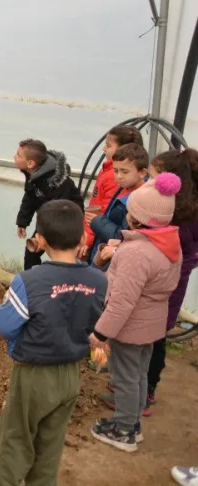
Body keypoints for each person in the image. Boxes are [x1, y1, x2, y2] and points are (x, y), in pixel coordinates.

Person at [0, 200, 107, 485]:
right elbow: (96, 322)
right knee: (50, 448)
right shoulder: (99, 281)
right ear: (82, 237)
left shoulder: (30, 281)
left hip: (33, 375)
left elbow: (4, 325)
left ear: (39, 240)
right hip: (70, 375)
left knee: (14, 441)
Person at [90, 173, 182, 453]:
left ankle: (124, 430)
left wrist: (101, 333)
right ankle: (133, 424)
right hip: (152, 325)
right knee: (139, 375)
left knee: (126, 378)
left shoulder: (136, 253)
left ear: (137, 217)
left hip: (130, 328)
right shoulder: (168, 244)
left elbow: (122, 302)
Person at [142, 149, 198, 414]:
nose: (150, 184)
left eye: (154, 179)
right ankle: (144, 386)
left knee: (154, 336)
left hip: (167, 280)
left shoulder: (178, 213)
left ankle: (146, 388)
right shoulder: (187, 206)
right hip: (173, 278)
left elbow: (179, 251)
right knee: (156, 333)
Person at [13, 139, 82, 271]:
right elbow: (30, 197)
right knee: (31, 252)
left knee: (62, 257)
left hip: (67, 221)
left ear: (30, 163)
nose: (14, 157)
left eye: (18, 155)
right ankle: (34, 284)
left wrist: (42, 234)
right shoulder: (34, 174)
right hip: (48, 217)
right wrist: (22, 222)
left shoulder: (57, 183)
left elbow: (56, 211)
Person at [82, 125, 144, 258]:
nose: (104, 148)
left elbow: (106, 215)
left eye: (108, 145)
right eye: (117, 171)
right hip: (100, 235)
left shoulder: (116, 179)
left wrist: (88, 238)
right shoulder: (111, 172)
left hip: (104, 241)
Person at [89, 143, 149, 270]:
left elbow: (123, 236)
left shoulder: (140, 202)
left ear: (142, 173)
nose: (119, 176)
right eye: (116, 171)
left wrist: (97, 221)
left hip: (115, 263)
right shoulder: (124, 188)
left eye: (124, 171)